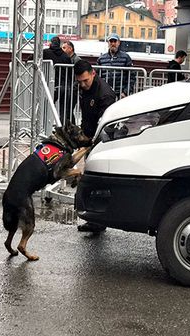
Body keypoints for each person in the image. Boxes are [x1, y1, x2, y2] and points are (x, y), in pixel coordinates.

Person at [73, 60, 116, 232]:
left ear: (93, 73)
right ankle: (94, 220)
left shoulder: (105, 94)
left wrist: (93, 144)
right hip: (89, 135)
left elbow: (106, 125)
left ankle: (99, 220)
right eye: (79, 82)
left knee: (98, 180)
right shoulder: (83, 88)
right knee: (90, 180)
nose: (82, 85)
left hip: (102, 140)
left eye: (85, 81)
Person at [43, 36, 72, 125]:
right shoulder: (65, 56)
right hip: (64, 86)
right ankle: (62, 127)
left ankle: (46, 126)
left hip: (52, 85)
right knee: (64, 110)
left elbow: (32, 58)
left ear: (51, 43)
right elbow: (70, 72)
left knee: (47, 106)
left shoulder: (45, 53)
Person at [97, 33, 135, 98]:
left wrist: (125, 92)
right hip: (105, 93)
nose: (113, 43)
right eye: (111, 41)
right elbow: (97, 77)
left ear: (119, 43)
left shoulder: (126, 57)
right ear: (108, 43)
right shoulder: (101, 59)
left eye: (115, 41)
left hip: (120, 94)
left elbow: (131, 77)